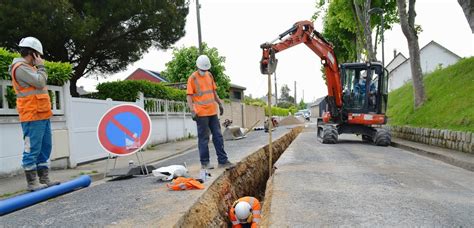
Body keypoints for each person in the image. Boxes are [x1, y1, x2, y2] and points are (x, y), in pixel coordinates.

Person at [8, 37, 60, 191]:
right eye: (38, 55)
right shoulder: (20, 67)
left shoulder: (30, 67)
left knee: (45, 147)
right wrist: (42, 68)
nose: (40, 58)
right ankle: (32, 183)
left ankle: (44, 179)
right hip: (31, 115)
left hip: (42, 114)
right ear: (33, 53)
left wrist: (39, 69)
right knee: (32, 148)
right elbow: (40, 82)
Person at [186, 55, 234, 169]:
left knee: (218, 136)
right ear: (198, 67)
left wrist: (220, 104)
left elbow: (213, 92)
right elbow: (189, 96)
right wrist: (192, 110)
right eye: (202, 70)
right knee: (204, 138)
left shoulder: (210, 75)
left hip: (212, 112)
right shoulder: (192, 78)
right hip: (201, 114)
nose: (204, 71)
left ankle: (222, 161)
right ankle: (205, 163)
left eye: (205, 69)